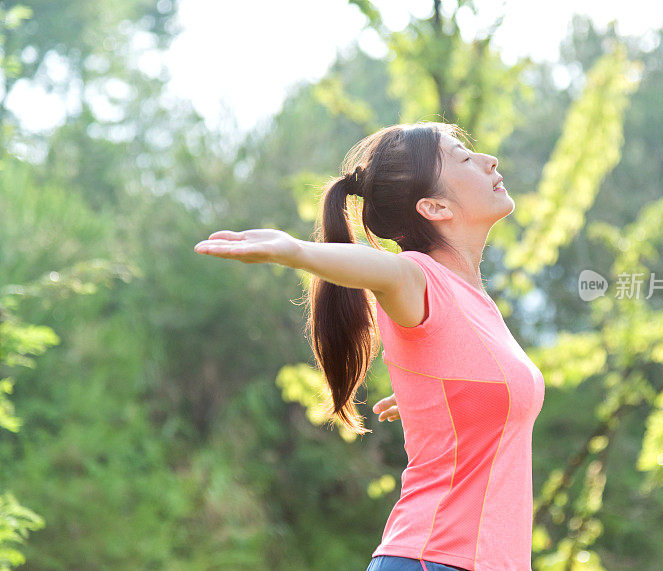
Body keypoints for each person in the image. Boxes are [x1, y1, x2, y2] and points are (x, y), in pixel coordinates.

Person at [194, 121, 546, 571]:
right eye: (464, 158)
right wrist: (296, 252)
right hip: (433, 559)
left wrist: (440, 402)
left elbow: (481, 395)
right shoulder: (419, 276)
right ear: (435, 206)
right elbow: (379, 269)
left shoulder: (477, 304)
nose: (488, 160)